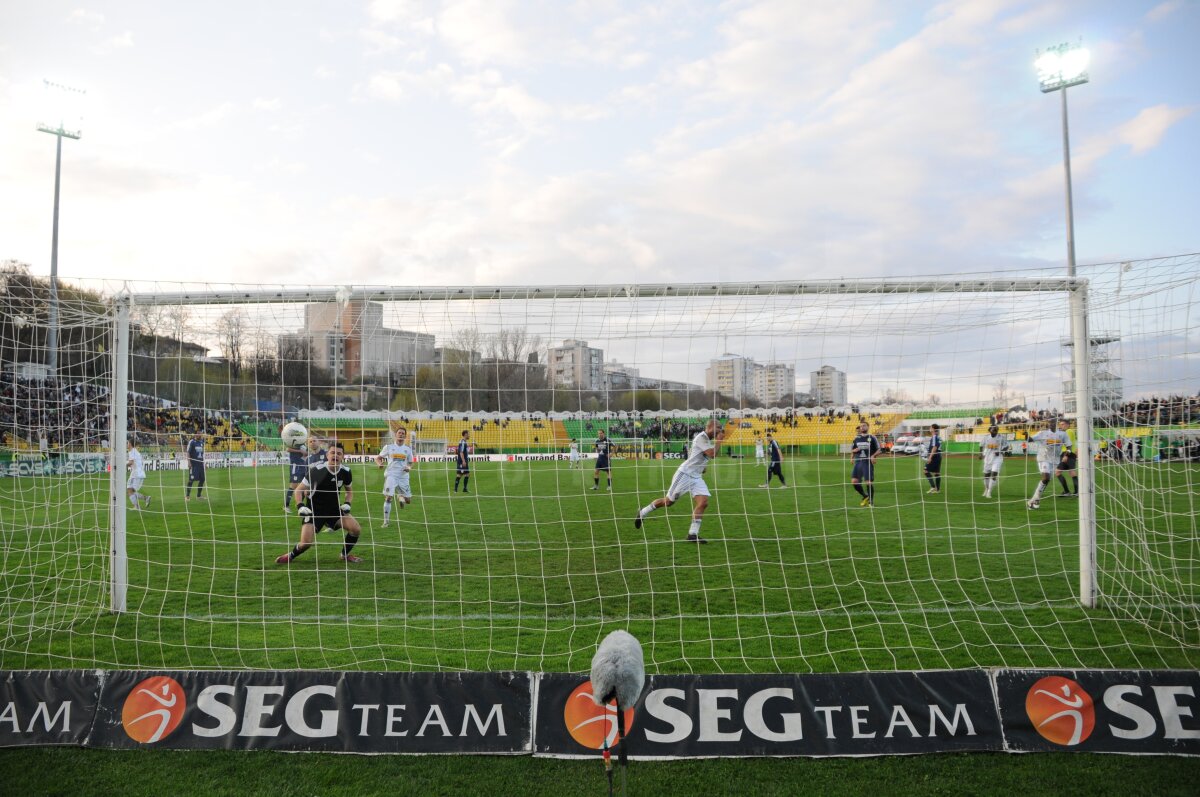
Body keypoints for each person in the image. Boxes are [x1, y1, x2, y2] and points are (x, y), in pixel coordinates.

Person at [633, 418, 724, 544]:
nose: (719, 431)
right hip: (685, 474)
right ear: (710, 427)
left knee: (703, 502)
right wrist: (719, 440)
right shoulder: (701, 437)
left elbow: (703, 455)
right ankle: (643, 512)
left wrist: (702, 467)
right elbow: (712, 454)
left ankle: (692, 534)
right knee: (669, 501)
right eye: (718, 429)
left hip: (696, 477)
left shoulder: (707, 440)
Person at [276, 443, 363, 564]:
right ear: (327, 455)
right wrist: (300, 506)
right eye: (332, 453)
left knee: (356, 529)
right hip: (314, 511)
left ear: (343, 456)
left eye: (339, 453)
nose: (335, 456)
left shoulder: (346, 471)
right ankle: (291, 555)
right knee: (305, 543)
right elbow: (298, 490)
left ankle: (344, 555)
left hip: (334, 510)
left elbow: (349, 492)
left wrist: (348, 503)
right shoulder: (317, 471)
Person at [1027, 419, 1072, 508]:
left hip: (1055, 460)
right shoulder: (1042, 433)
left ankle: (1035, 499)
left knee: (1047, 480)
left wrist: (1067, 454)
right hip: (1043, 457)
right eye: (1050, 423)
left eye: (1053, 422)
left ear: (1056, 423)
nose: (1051, 424)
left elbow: (1069, 446)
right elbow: (1030, 440)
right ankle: (1035, 499)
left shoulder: (1062, 434)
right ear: (1048, 424)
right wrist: (1026, 435)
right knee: (1046, 477)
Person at [376, 426, 414, 526]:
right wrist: (379, 464)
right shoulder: (388, 447)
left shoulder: (408, 449)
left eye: (403, 433)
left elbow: (410, 462)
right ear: (395, 435)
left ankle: (400, 496)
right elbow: (378, 458)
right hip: (391, 475)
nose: (401, 434)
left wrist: (409, 468)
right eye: (399, 433)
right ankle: (386, 522)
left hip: (403, 476)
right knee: (388, 497)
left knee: (408, 501)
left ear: (405, 436)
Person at [850, 422, 881, 507]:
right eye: (861, 426)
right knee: (854, 481)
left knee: (868, 482)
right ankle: (865, 496)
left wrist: (873, 456)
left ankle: (871, 501)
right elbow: (853, 449)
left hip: (867, 462)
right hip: (858, 462)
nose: (862, 427)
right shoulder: (856, 438)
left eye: (864, 426)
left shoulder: (872, 437)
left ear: (868, 427)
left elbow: (879, 450)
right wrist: (852, 456)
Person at [283, 434, 309, 515]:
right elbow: (288, 449)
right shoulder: (294, 442)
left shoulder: (303, 443)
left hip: (303, 466)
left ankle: (299, 503)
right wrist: (300, 451)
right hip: (295, 467)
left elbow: (306, 453)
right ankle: (286, 506)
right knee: (293, 486)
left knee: (305, 486)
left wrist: (306, 453)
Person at [979, 425, 1005, 498]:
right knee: (986, 475)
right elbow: (981, 445)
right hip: (987, 457)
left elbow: (1006, 446)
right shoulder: (986, 437)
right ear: (990, 430)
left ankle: (989, 492)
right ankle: (986, 489)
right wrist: (981, 454)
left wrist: (1000, 451)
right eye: (993, 430)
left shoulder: (1001, 437)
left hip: (997, 458)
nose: (995, 431)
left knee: (994, 474)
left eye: (996, 430)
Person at [127, 443, 152, 510]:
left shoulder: (132, 451)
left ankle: (144, 500)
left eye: (127, 443)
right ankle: (138, 505)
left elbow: (130, 463)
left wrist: (121, 464)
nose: (126, 444)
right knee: (130, 490)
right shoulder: (136, 451)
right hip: (136, 474)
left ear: (130, 444)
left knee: (131, 491)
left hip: (136, 474)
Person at [185, 431, 206, 501]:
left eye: (201, 434)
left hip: (200, 465)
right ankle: (187, 496)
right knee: (191, 480)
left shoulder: (201, 443)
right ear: (196, 435)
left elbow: (202, 455)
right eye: (199, 434)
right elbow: (188, 452)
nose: (200, 435)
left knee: (202, 479)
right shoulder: (192, 442)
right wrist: (189, 462)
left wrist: (204, 463)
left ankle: (199, 496)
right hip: (194, 465)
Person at [923, 423, 943, 494]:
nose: (929, 428)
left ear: (933, 429)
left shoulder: (934, 437)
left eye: (930, 427)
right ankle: (937, 490)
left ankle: (933, 487)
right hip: (939, 455)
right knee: (937, 473)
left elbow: (934, 447)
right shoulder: (938, 437)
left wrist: (930, 457)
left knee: (926, 471)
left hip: (934, 456)